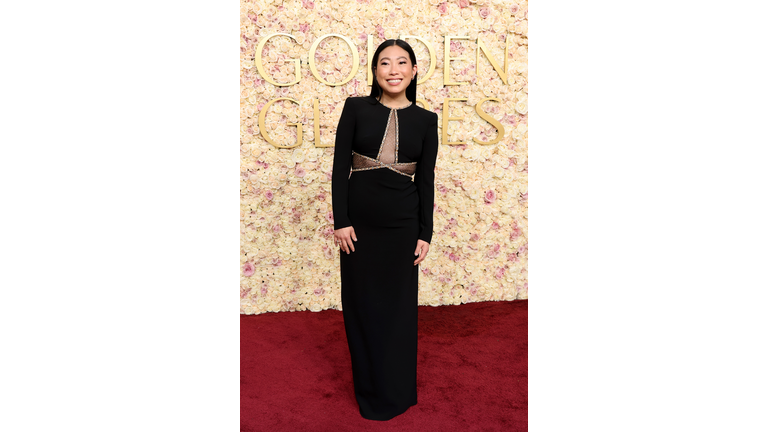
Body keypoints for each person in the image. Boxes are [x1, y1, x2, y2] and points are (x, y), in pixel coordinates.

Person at [331, 39, 439, 421]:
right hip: (358, 229)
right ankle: (370, 391)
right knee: (361, 307)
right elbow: (340, 166)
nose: (393, 70)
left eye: (402, 62)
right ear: (375, 71)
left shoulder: (427, 120)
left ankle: (396, 392)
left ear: (413, 71)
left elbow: (425, 180)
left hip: (402, 228)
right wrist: (340, 219)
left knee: (398, 311)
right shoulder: (356, 108)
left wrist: (425, 232)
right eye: (384, 63)